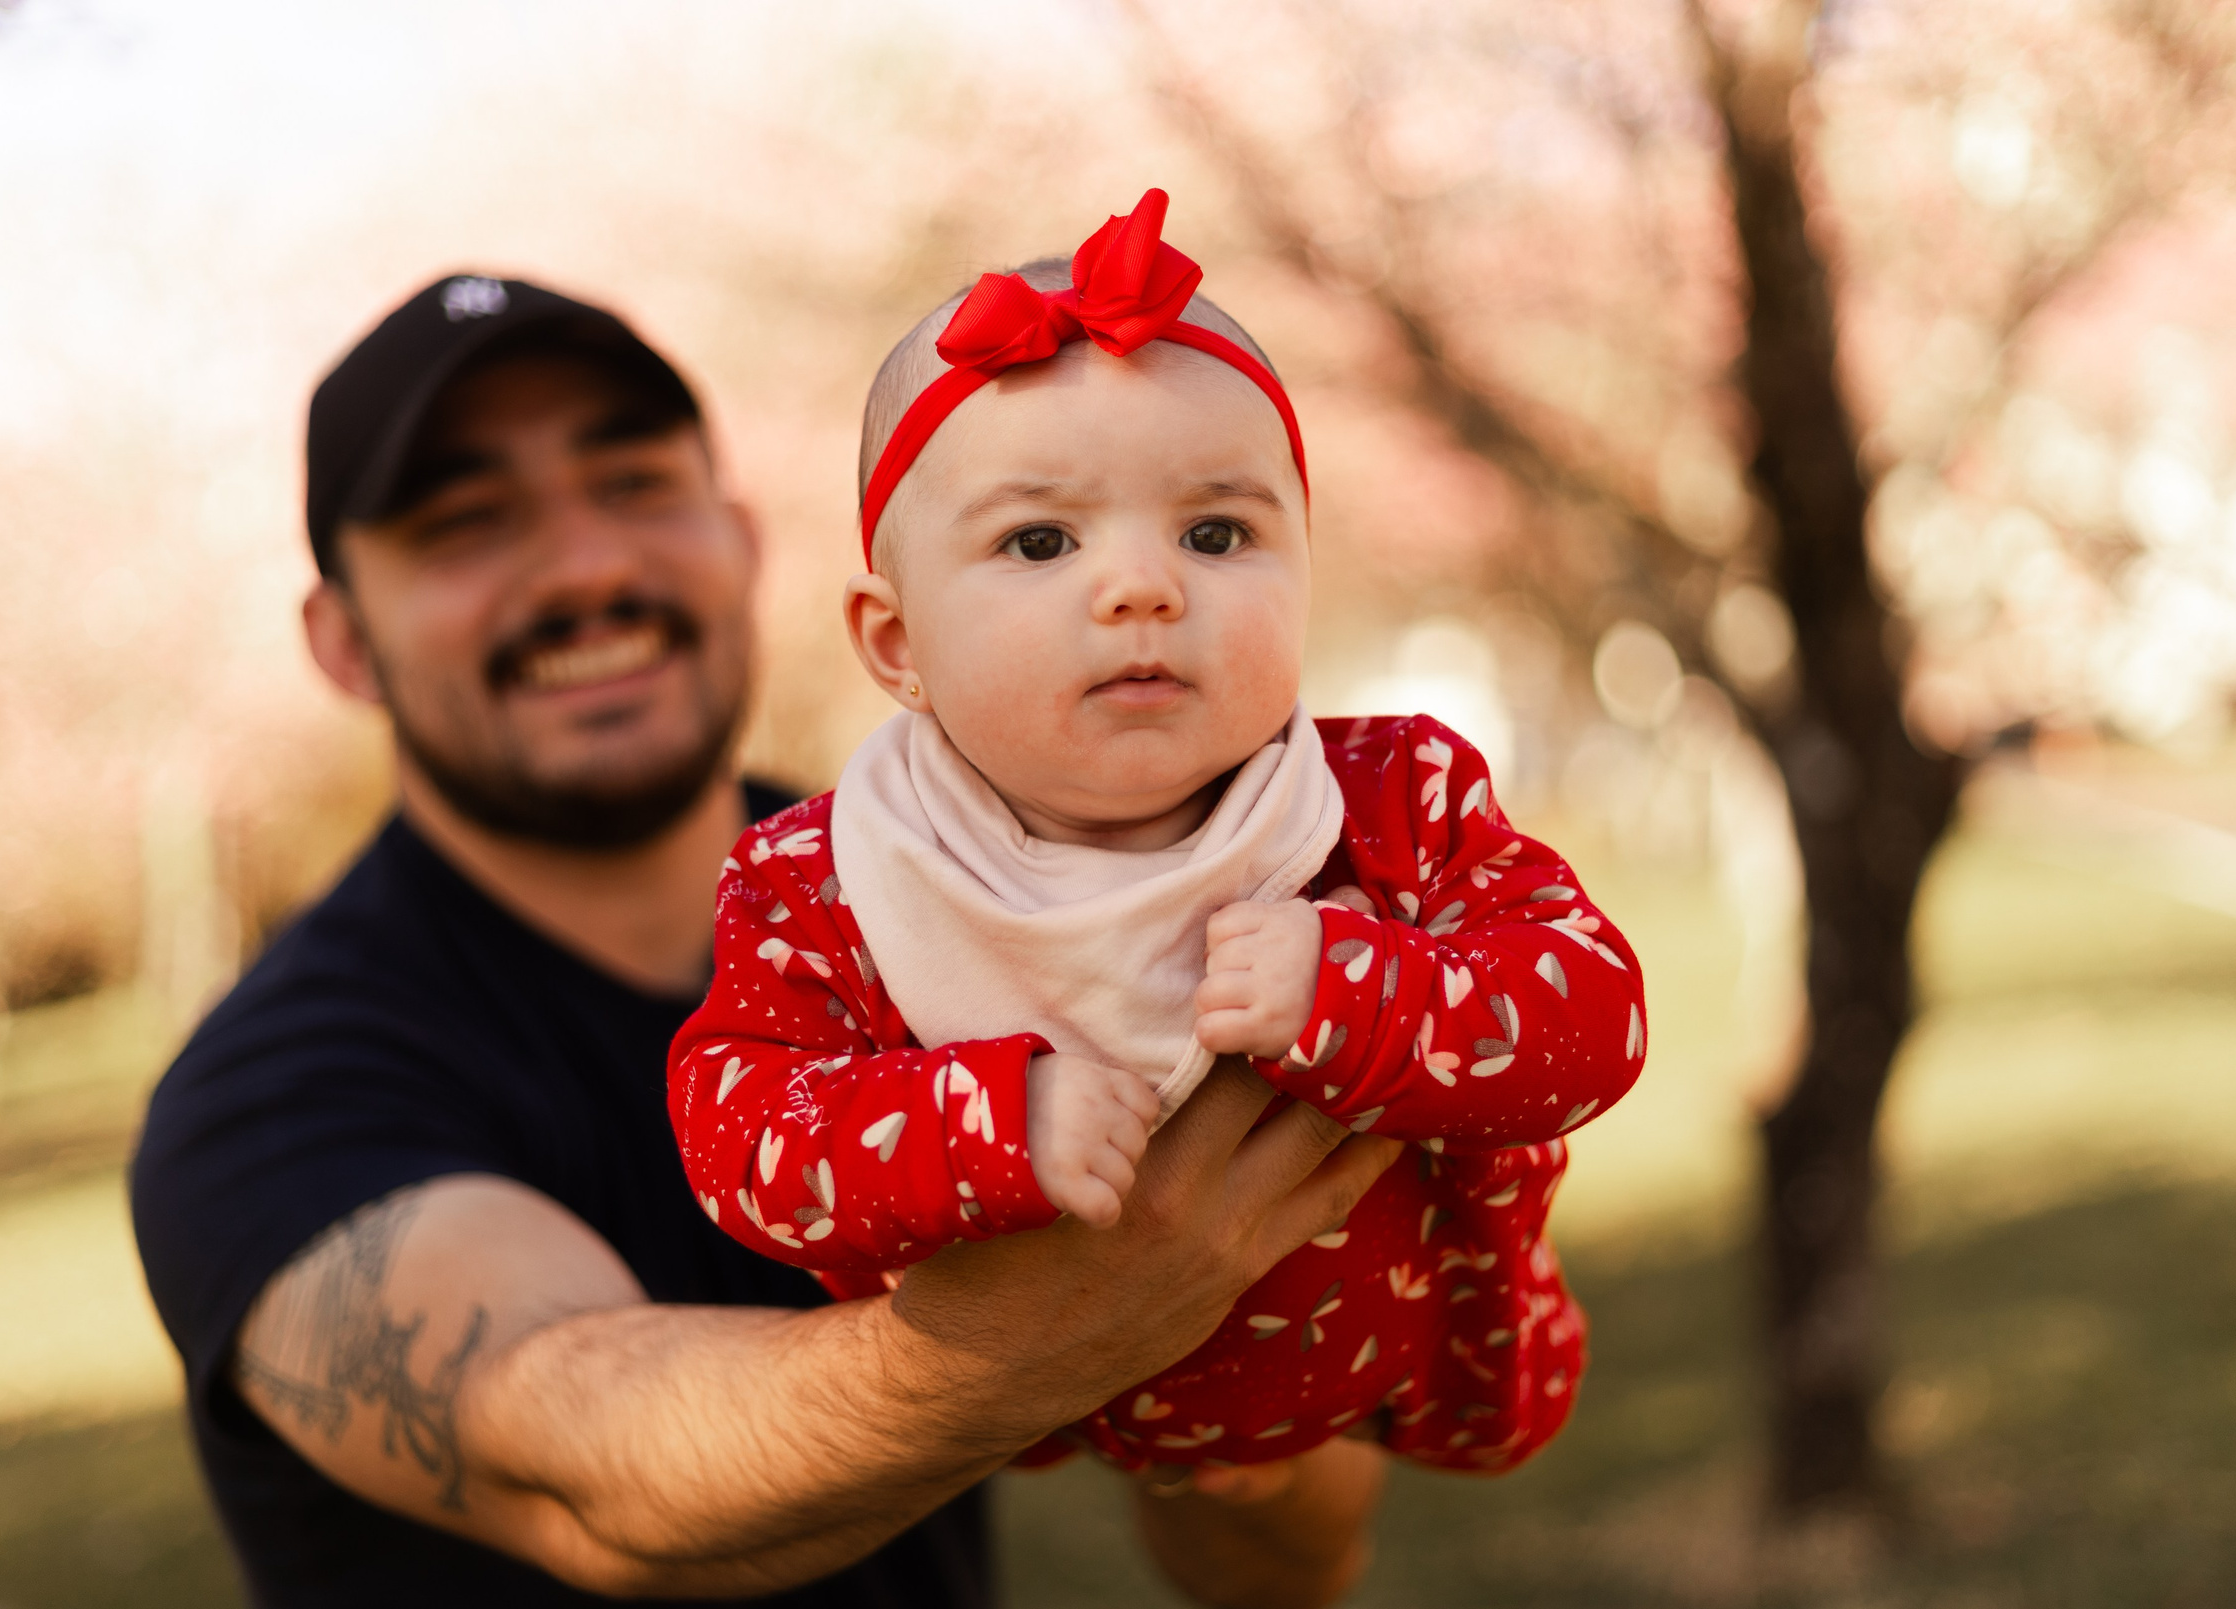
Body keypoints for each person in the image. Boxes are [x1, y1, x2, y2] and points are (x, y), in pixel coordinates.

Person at [129, 272, 1398, 1609]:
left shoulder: (973, 901)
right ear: (343, 638)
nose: (585, 566)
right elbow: (590, 1475)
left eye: (634, 482)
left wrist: (1233, 1406)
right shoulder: (274, 1092)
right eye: (466, 522)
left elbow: (1284, 1572)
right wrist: (1036, 1338)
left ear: (738, 541)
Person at [672, 191, 1647, 1477]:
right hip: (1033, 1406)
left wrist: (1359, 990)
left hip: (1393, 1354)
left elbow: (1596, 1014)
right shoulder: (823, 884)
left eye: (1215, 532)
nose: (1143, 585)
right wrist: (988, 1121)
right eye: (1038, 541)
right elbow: (740, 1135)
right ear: (897, 644)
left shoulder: (1393, 801)